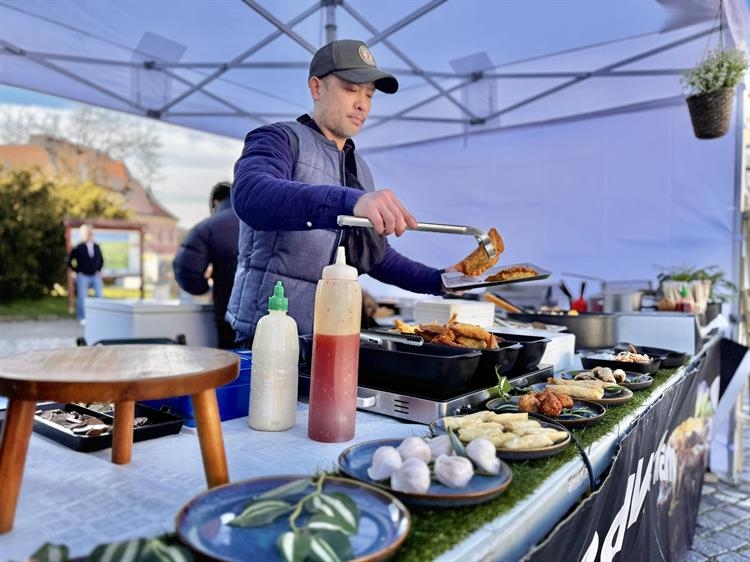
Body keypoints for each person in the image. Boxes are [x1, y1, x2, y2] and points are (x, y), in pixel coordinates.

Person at [226, 39, 455, 346]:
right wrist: (350, 201)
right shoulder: (278, 139)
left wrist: (440, 280)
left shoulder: (360, 168)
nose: (363, 104)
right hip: (270, 335)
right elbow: (252, 196)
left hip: (333, 337)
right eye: (351, 89)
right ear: (316, 87)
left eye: (369, 94)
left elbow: (374, 255)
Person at [173, 181, 240, 349]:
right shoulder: (260, 220)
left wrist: (203, 288)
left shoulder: (208, 227)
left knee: (231, 360)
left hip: (228, 308)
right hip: (270, 309)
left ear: (215, 202)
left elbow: (186, 269)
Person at [67, 223, 104, 325]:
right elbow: (69, 262)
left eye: (89, 233)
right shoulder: (78, 247)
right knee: (82, 297)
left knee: (99, 295)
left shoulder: (96, 246)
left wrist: (98, 270)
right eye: (86, 233)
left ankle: (98, 316)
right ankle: (82, 317)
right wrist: (77, 271)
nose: (88, 235)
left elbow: (101, 260)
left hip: (95, 275)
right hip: (83, 276)